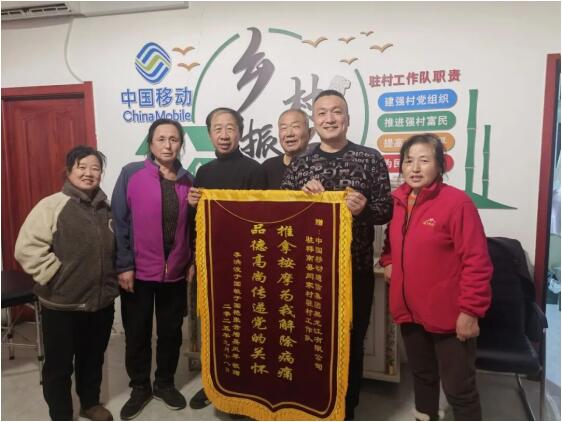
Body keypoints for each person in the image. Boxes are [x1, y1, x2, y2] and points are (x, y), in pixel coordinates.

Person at [281, 90, 393, 420]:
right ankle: (310, 406)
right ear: (314, 121)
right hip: (308, 273)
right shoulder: (301, 163)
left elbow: (385, 210)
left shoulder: (369, 158)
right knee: (308, 340)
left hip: (354, 270)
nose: (329, 118)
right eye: (322, 113)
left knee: (351, 342)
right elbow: (281, 214)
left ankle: (346, 409)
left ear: (347, 118)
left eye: (336, 112)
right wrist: (302, 199)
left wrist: (364, 209)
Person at [379, 133, 492, 421]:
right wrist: (388, 262)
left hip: (449, 317)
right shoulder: (398, 201)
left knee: (459, 390)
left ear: (440, 165)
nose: (415, 168)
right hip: (410, 313)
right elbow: (390, 244)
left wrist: (470, 311)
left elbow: (477, 261)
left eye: (424, 160)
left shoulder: (456, 203)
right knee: (422, 377)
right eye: (409, 161)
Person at [15, 146, 118, 421]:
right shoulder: (52, 205)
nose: (89, 173)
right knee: (59, 366)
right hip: (62, 304)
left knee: (92, 358)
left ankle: (90, 403)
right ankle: (61, 414)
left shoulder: (106, 208)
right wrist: (56, 275)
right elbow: (27, 248)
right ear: (69, 170)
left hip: (100, 302)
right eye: (82, 167)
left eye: (95, 168)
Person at [112, 119, 194, 420]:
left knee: (171, 333)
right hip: (138, 272)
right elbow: (119, 221)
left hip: (174, 273)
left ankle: (164, 383)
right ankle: (139, 387)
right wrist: (124, 265)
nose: (168, 145)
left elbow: (193, 228)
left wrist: (191, 261)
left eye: (174, 139)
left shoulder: (189, 180)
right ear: (150, 143)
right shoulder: (131, 174)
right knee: (137, 333)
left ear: (181, 144)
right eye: (161, 139)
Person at [187, 107, 267, 410]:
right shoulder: (204, 172)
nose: (224, 135)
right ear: (209, 134)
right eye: (217, 129)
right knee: (214, 325)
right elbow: (198, 224)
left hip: (247, 265)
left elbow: (263, 220)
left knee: (246, 325)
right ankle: (213, 383)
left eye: (230, 128)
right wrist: (192, 205)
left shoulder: (255, 170)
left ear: (240, 132)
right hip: (212, 264)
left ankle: (244, 387)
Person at [262, 108, 311, 188]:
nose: (289, 134)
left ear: (309, 132)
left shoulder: (319, 167)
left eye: (295, 126)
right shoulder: (267, 168)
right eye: (283, 128)